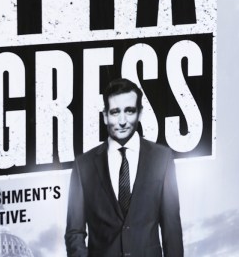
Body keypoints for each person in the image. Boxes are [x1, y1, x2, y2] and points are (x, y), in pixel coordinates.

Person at [65, 78, 183, 257]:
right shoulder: (83, 166)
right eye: (114, 112)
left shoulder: (162, 158)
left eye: (129, 111)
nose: (122, 121)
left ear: (140, 113)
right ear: (105, 116)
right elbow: (75, 233)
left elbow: (171, 229)